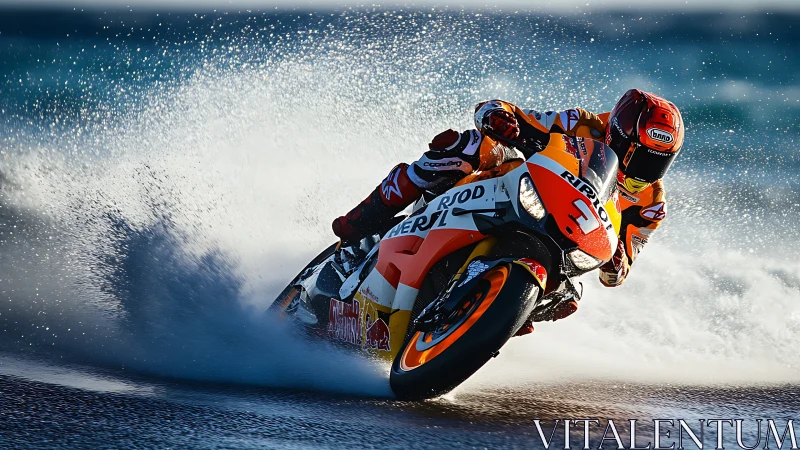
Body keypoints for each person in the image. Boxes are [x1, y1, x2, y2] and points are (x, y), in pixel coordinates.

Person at [332, 89, 684, 321]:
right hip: (518, 192)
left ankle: (481, 320)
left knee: (568, 300)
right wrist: (501, 121)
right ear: (617, 134)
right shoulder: (581, 124)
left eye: (658, 163)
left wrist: (618, 262)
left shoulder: (650, 204)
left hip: (563, 245)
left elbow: (617, 272)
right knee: (467, 148)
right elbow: (498, 109)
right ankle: (361, 223)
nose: (644, 172)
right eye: (639, 157)